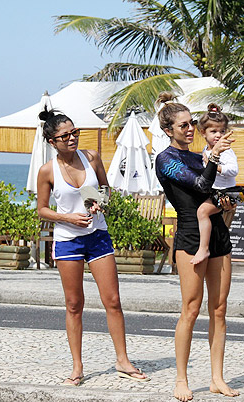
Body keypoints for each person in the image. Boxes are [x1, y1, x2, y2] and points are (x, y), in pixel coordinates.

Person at [36, 108, 147, 386]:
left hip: (97, 235)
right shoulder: (47, 171)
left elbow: (107, 190)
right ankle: (77, 367)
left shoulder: (92, 157)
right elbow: (42, 210)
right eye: (65, 136)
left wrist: (98, 202)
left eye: (75, 132)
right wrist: (67, 217)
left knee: (113, 301)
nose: (72, 138)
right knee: (74, 304)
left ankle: (122, 360)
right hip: (67, 239)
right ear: (52, 142)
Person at [154, 93, 238, 402]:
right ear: (168, 130)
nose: (190, 129)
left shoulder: (200, 154)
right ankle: (181, 378)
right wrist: (214, 157)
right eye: (184, 125)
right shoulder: (166, 159)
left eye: (192, 123)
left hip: (217, 232)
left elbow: (216, 191)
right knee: (190, 309)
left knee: (219, 309)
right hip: (190, 235)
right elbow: (202, 186)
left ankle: (217, 377)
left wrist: (228, 201)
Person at [191, 104, 238, 265]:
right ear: (203, 133)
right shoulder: (205, 150)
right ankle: (207, 245)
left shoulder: (226, 150)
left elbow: (233, 170)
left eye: (222, 131)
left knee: (202, 212)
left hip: (227, 192)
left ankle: (203, 248)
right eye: (214, 131)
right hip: (216, 192)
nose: (218, 135)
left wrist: (216, 166)